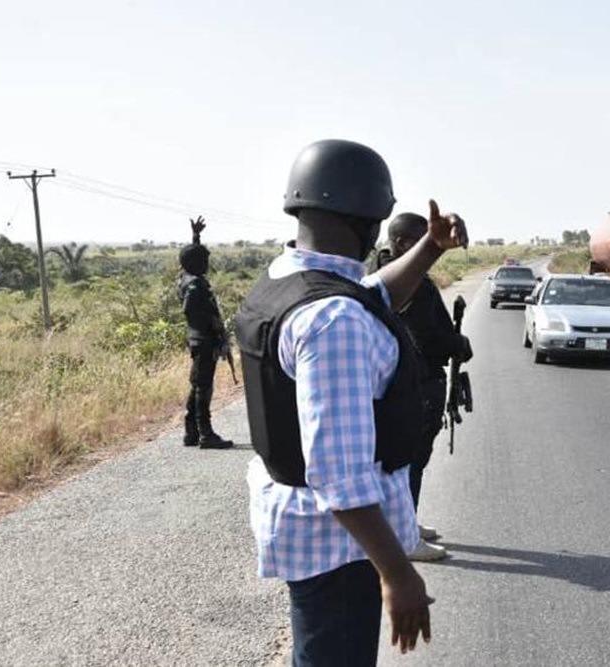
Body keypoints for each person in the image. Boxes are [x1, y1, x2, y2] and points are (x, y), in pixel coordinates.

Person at [234, 139, 466, 664]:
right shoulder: (335, 322)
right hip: (340, 547)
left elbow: (372, 293)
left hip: (311, 532)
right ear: (367, 221)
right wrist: (397, 572)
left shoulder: (286, 282)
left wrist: (430, 247)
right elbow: (338, 471)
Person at [381, 212, 474, 562]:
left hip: (412, 381)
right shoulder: (409, 283)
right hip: (416, 383)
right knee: (411, 463)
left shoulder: (393, 277)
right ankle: (404, 538)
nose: (431, 249)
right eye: (425, 241)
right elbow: (427, 337)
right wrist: (458, 344)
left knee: (409, 462)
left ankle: (407, 522)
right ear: (403, 243)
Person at [177, 216, 234, 449]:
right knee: (204, 388)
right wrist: (214, 327)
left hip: (197, 340)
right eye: (204, 260)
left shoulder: (185, 277)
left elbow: (189, 259)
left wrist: (196, 237)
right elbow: (191, 308)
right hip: (204, 340)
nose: (207, 264)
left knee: (197, 385)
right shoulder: (195, 284)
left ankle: (191, 431)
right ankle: (205, 433)